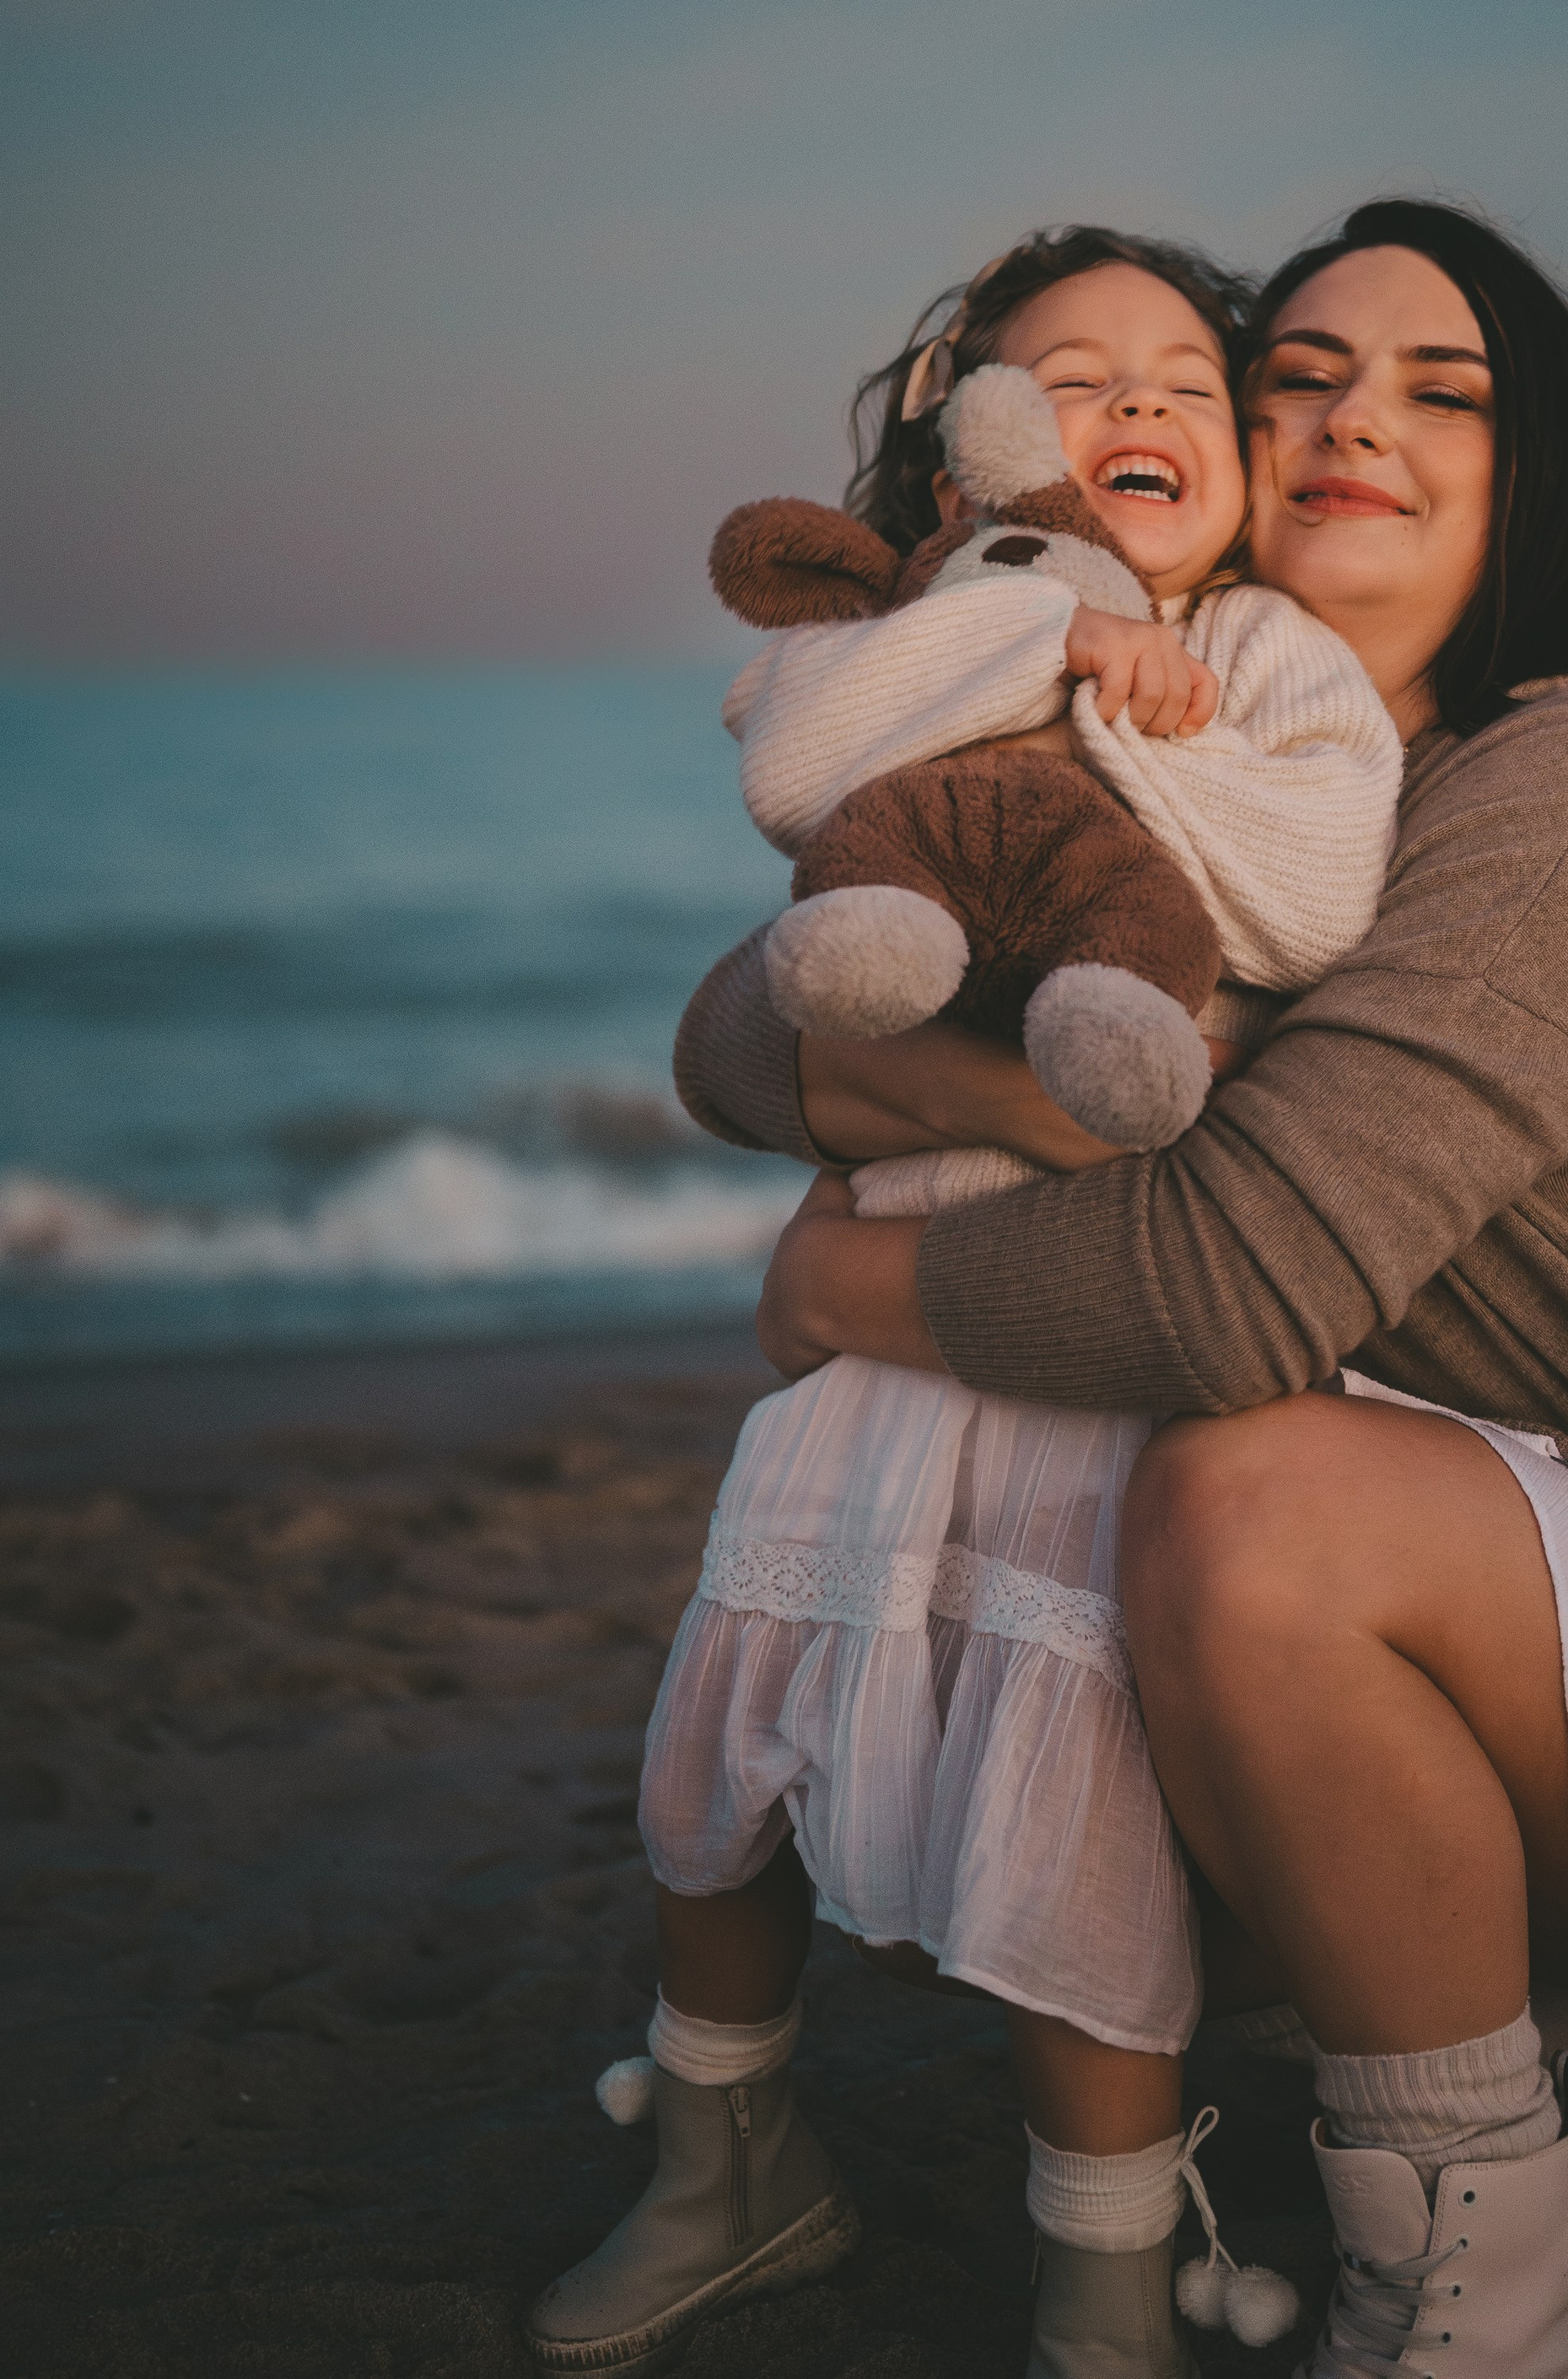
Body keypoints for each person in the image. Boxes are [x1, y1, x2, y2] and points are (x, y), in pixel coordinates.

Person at [699, 200, 1568, 2379]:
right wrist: (946, 1070)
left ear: (1537, 491)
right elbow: (742, 1031)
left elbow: (1232, 1287)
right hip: (1555, 1574)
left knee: (1241, 1503)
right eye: (1304, 379)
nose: (1357, 423)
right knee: (1019, 1663)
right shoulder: (1234, 784)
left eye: (1447, 395)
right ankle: (1534, 2028)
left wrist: (841, 1280)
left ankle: (1487, 2324)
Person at [524, 227, 1402, 2378]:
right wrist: (1033, 611)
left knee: (1064, 1773)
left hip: (1098, 1310)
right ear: (971, 448)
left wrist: (1149, 714)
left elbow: (1302, 892)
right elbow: (802, 779)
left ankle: (1102, 2282)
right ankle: (730, 2166)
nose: (1131, 414)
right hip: (899, 1271)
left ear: (1243, 453)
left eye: (1182, 385)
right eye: (1068, 381)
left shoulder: (1276, 655)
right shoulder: (928, 626)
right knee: (721, 1730)